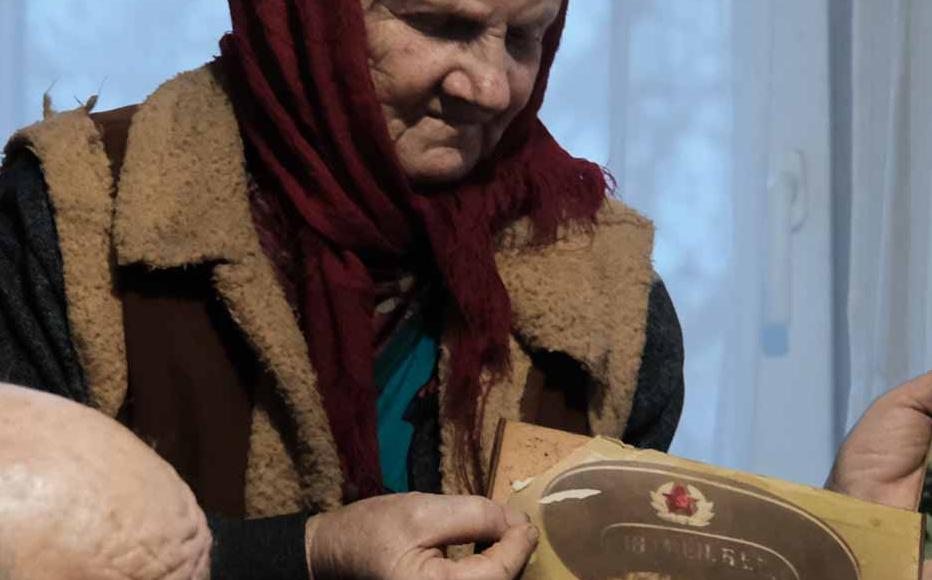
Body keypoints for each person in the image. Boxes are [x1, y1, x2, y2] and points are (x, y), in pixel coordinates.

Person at [0, 0, 684, 577]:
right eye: (442, 25)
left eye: (527, 37)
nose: (493, 88)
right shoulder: (75, 219)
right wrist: (306, 553)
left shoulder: (609, 296)